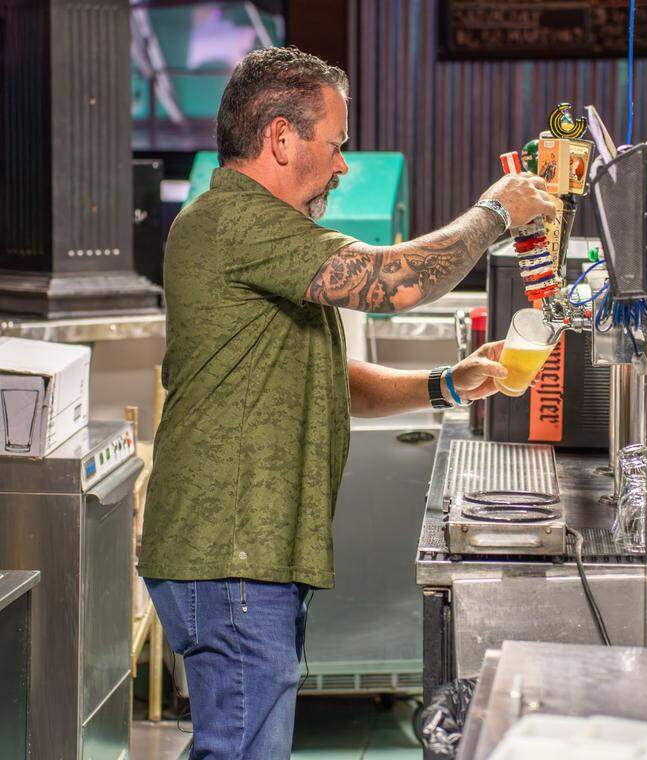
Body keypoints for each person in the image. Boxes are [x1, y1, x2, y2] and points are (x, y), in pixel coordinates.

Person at [137, 46, 555, 757]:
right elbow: (398, 282)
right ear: (280, 138)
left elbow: (330, 376)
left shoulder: (269, 237)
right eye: (335, 145)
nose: (341, 166)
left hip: (245, 557)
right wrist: (495, 213)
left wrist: (447, 383)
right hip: (228, 553)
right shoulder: (233, 221)